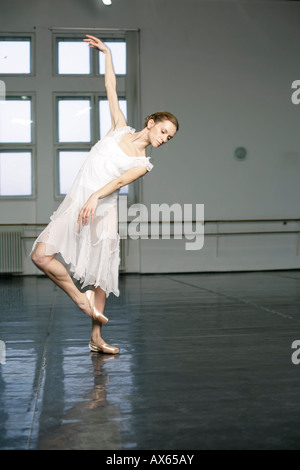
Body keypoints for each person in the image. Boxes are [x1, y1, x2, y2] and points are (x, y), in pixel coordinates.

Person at [31, 34, 179, 355]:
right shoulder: (119, 127)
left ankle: (96, 339)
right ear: (151, 123)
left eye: (169, 138)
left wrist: (96, 196)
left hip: (101, 209)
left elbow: (116, 183)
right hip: (79, 203)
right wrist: (108, 53)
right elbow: (111, 87)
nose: (165, 139)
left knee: (100, 278)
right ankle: (79, 299)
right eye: (163, 131)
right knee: (40, 255)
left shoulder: (142, 163)